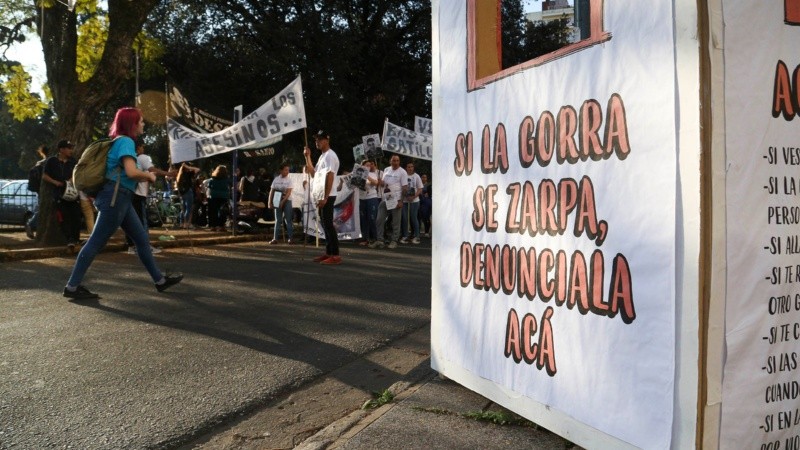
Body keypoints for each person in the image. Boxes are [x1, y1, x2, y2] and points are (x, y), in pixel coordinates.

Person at [62, 107, 183, 300]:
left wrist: (143, 176)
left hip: (120, 198)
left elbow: (126, 175)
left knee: (141, 240)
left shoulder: (120, 142)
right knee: (95, 242)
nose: (143, 124)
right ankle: (72, 286)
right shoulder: (126, 141)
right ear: (132, 124)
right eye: (141, 121)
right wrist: (149, 175)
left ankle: (160, 281)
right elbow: (131, 172)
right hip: (115, 198)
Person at [125, 137, 176, 254]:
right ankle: (144, 246)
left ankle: (132, 246)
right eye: (142, 146)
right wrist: (168, 173)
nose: (143, 148)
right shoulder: (143, 157)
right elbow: (152, 169)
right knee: (141, 221)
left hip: (130, 193)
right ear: (138, 148)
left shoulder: (130, 160)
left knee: (131, 221)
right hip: (139, 195)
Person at [304, 129, 341, 264]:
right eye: (316, 140)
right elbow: (313, 173)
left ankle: (335, 255)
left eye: (320, 139)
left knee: (328, 224)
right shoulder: (322, 156)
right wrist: (308, 156)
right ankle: (329, 252)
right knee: (325, 224)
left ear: (327, 140)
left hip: (328, 195)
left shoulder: (330, 156)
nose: (317, 142)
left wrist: (325, 196)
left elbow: (330, 176)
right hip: (322, 195)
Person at [42, 140, 82, 251]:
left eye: (71, 148)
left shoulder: (73, 162)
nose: (71, 150)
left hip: (72, 193)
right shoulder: (52, 161)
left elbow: (78, 173)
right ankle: (69, 240)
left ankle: (76, 239)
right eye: (68, 148)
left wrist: (71, 179)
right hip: (59, 194)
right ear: (61, 149)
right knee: (63, 217)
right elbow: (45, 176)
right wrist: (55, 182)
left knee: (76, 217)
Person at [371, 155, 408, 249]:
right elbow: (383, 183)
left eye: (397, 161)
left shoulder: (402, 172)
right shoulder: (386, 170)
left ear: (399, 162)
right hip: (385, 198)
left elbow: (405, 188)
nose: (395, 162)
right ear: (390, 161)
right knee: (379, 220)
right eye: (394, 160)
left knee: (396, 222)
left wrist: (401, 201)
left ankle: (394, 241)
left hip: (396, 199)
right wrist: (381, 182)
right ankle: (380, 240)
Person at [25, 145, 49, 239]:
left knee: (41, 208)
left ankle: (33, 225)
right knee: (42, 209)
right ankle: (30, 224)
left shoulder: (39, 163)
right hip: (46, 189)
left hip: (39, 189)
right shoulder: (49, 162)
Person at [268, 163, 294, 244]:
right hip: (276, 198)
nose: (287, 172)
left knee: (288, 220)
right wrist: (269, 202)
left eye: (288, 170)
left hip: (287, 200)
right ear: (281, 170)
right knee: (278, 219)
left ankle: (290, 238)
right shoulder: (276, 179)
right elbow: (271, 191)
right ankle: (275, 238)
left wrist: (283, 201)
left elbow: (289, 192)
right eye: (285, 170)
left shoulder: (289, 180)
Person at [399, 161, 423, 245]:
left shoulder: (416, 176)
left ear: (413, 168)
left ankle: (416, 236)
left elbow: (420, 189)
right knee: (404, 218)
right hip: (404, 200)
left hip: (414, 201)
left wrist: (413, 196)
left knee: (413, 218)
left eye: (411, 166)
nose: (410, 168)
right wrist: (404, 196)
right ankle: (405, 235)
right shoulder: (403, 176)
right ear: (406, 168)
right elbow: (401, 188)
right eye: (408, 167)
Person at [358, 160, 380, 246]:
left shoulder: (373, 174)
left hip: (372, 198)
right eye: (366, 165)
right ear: (362, 166)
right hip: (362, 198)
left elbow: (376, 183)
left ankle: (375, 238)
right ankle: (365, 238)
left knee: (372, 218)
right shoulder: (358, 174)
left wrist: (367, 176)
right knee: (364, 219)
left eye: (369, 165)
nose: (368, 167)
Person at [175, 161, 200, 229]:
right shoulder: (188, 174)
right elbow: (198, 169)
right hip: (188, 191)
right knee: (188, 208)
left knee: (183, 208)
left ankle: (181, 223)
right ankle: (186, 223)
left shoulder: (180, 175)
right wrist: (187, 166)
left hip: (182, 193)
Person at [207, 165, 230, 232]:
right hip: (223, 197)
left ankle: (213, 226)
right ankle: (221, 226)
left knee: (213, 212)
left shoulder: (212, 179)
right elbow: (228, 188)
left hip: (213, 196)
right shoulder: (226, 180)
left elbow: (209, 188)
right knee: (223, 211)